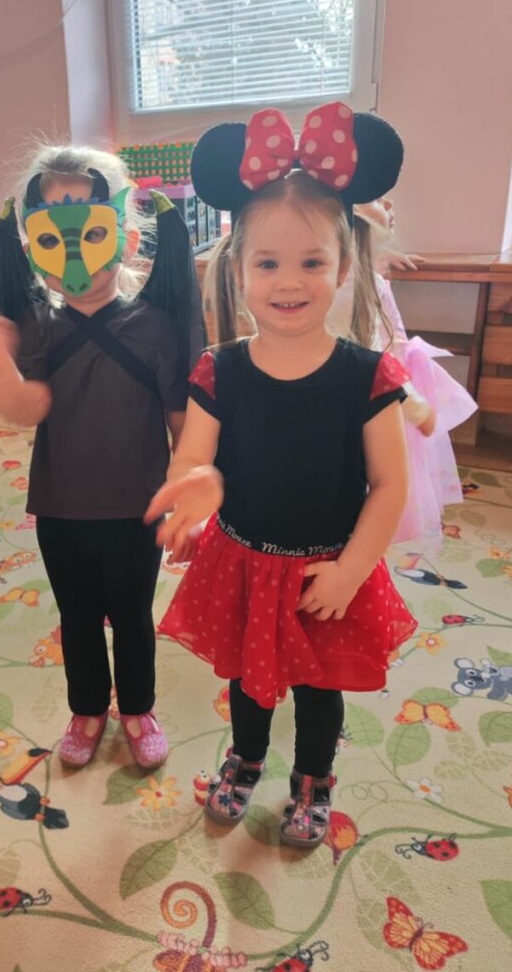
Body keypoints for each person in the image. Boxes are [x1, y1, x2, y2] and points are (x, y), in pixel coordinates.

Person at [145, 103, 417, 846]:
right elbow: (192, 457)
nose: (287, 281)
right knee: (248, 681)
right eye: (266, 263)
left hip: (327, 568)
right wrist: (194, 492)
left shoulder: (368, 376)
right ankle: (246, 758)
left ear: (344, 268)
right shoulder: (220, 369)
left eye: (311, 263)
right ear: (237, 269)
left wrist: (352, 571)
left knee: (320, 689)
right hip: (243, 562)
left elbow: (390, 486)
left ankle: (313, 778)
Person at [0, 145, 204, 769]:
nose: (75, 255)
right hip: (61, 507)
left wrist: (188, 495)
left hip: (137, 507)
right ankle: (87, 708)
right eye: (54, 238)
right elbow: (24, 410)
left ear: (126, 237)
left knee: (132, 617)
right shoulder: (36, 326)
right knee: (77, 617)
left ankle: (137, 708)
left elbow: (181, 423)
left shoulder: (156, 327)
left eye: (92, 231)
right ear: (33, 245)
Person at [326, 198, 477, 550]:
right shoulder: (359, 285)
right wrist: (410, 401)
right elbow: (381, 355)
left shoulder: (366, 277)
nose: (390, 204)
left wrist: (378, 257)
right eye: (378, 198)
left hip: (369, 397)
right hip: (365, 402)